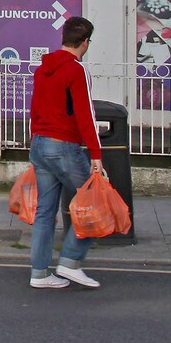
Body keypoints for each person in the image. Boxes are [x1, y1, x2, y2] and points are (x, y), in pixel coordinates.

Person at [27, 15, 105, 289]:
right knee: (93, 202)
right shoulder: (76, 70)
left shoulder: (42, 69)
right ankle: (70, 262)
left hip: (39, 144)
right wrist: (96, 154)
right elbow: (86, 115)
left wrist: (36, 143)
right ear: (85, 43)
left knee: (45, 212)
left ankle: (39, 273)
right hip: (64, 145)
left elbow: (35, 109)